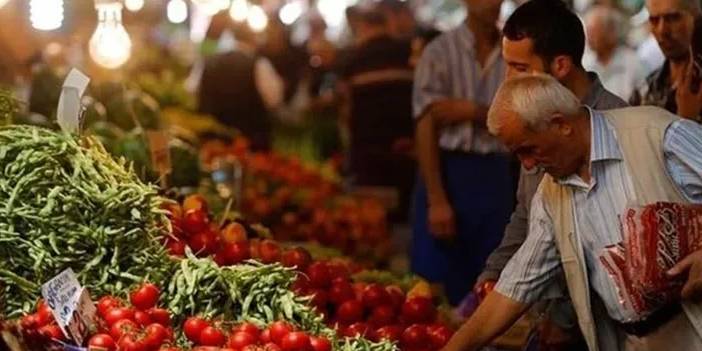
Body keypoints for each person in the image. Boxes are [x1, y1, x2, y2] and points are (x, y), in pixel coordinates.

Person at [441, 73, 702, 351]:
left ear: (561, 124)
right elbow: (517, 285)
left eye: (528, 150)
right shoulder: (551, 193)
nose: (527, 166)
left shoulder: (655, 134)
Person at [474, 1, 628, 349]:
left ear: (560, 65)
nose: (508, 80)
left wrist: (563, 318)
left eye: (519, 68)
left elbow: (611, 247)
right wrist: (496, 272)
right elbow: (526, 213)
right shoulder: (531, 119)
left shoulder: (618, 123)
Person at [412, 0, 513, 305]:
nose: (493, 4)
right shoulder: (439, 52)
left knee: (492, 279)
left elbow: (520, 118)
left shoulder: (512, 53)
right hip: (448, 171)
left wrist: (472, 111)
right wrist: (437, 198)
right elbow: (426, 126)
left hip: (498, 173)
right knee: (438, 284)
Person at [340, 8, 415, 222]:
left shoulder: (353, 59)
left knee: (370, 225)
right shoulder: (406, 53)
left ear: (363, 27)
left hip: (367, 157)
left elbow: (346, 109)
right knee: (401, 220)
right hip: (405, 153)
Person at [198, 21, 284, 150]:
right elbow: (274, 100)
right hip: (250, 143)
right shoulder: (260, 64)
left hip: (213, 142)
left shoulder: (210, 61)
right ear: (254, 38)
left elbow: (193, 89)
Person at [630, 0, 702, 120]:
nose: (662, 30)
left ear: (696, 18)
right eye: (654, 20)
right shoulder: (645, 91)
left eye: (673, 18)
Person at [583, 5, 648, 100]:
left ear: (611, 33)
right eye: (588, 32)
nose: (589, 38)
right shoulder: (585, 63)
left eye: (593, 32)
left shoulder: (632, 63)